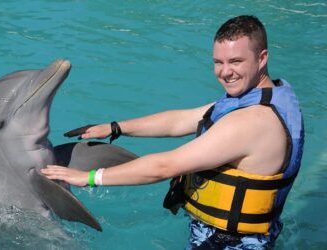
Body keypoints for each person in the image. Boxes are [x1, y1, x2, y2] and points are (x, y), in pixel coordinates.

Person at [41, 15, 304, 249]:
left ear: (262, 58)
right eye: (218, 62)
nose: (225, 72)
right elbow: (181, 120)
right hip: (237, 236)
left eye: (236, 61)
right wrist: (115, 128)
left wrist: (87, 177)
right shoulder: (264, 97)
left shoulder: (252, 121)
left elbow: (164, 167)